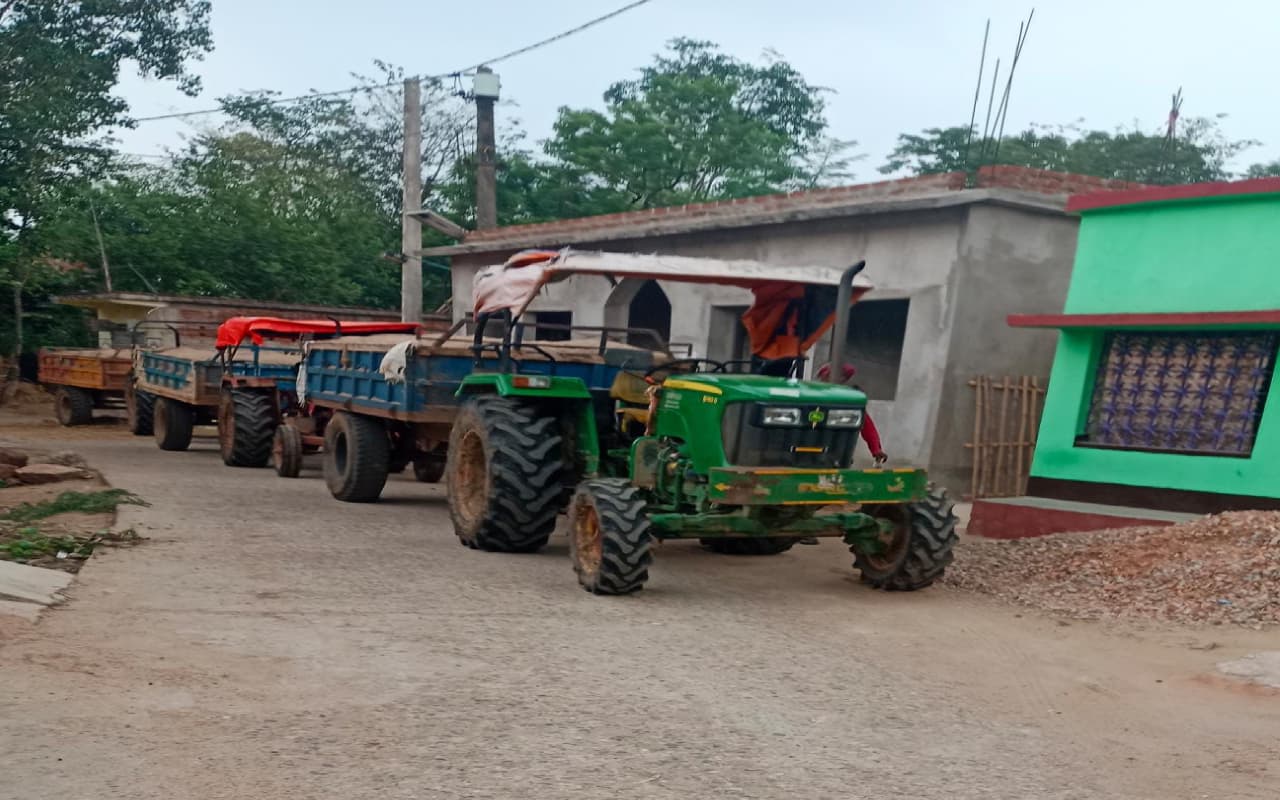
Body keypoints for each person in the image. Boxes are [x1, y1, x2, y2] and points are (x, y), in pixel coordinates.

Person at [815, 362, 887, 465]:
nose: (838, 380)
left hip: (832, 452)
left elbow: (867, 427)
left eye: (842, 377)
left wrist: (876, 449)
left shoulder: (846, 400)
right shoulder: (810, 397)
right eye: (828, 376)